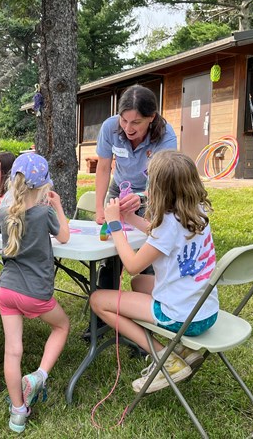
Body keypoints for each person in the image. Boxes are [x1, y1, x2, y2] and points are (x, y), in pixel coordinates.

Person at [90, 150, 219, 394]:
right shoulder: (196, 211)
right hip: (205, 310)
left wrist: (115, 225)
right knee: (139, 284)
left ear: (158, 189)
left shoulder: (168, 226)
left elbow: (132, 265)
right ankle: (181, 350)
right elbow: (161, 238)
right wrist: (129, 217)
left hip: (182, 316)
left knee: (98, 300)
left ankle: (165, 358)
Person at [89, 84, 178, 335]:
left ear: (151, 118)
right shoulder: (109, 128)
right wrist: (99, 209)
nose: (128, 128)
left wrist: (141, 198)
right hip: (120, 190)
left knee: (147, 256)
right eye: (124, 120)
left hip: (153, 193)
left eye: (136, 122)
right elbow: (104, 168)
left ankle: (149, 324)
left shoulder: (166, 136)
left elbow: (162, 180)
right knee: (111, 255)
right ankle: (102, 323)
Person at [0, 153, 70, 433]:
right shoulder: (44, 213)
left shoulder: (5, 212)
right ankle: (39, 376)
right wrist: (59, 207)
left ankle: (18, 413)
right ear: (43, 187)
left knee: (12, 352)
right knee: (62, 326)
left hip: (7, 289)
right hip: (36, 292)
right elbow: (64, 236)